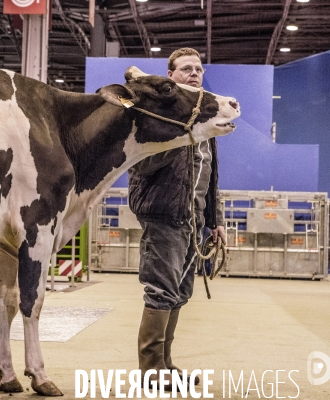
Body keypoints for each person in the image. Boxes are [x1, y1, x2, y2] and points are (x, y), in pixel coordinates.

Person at [127, 47, 226, 386]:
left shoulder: (204, 120)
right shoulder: (156, 115)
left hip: (194, 222)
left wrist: (216, 222)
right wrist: (180, 134)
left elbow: (211, 177)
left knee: (181, 292)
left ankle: (166, 365)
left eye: (198, 69)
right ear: (171, 76)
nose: (194, 73)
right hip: (164, 214)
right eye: (186, 69)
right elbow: (141, 164)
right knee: (161, 290)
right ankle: (151, 369)